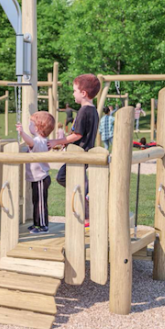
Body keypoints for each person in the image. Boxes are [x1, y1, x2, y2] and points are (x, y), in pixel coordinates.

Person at [48, 74, 100, 223]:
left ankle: (88, 194)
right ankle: (87, 214)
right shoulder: (93, 110)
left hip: (79, 154)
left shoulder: (84, 111)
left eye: (75, 90)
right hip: (84, 152)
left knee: (62, 177)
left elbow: (77, 134)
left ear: (83, 93)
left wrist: (57, 141)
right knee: (77, 182)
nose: (73, 94)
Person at [17, 111, 55, 234]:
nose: (29, 125)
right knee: (36, 201)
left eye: (31, 123)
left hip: (40, 178)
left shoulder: (40, 141)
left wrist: (22, 133)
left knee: (40, 203)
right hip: (38, 178)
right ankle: (37, 223)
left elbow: (30, 142)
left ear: (39, 127)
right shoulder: (41, 140)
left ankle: (42, 225)